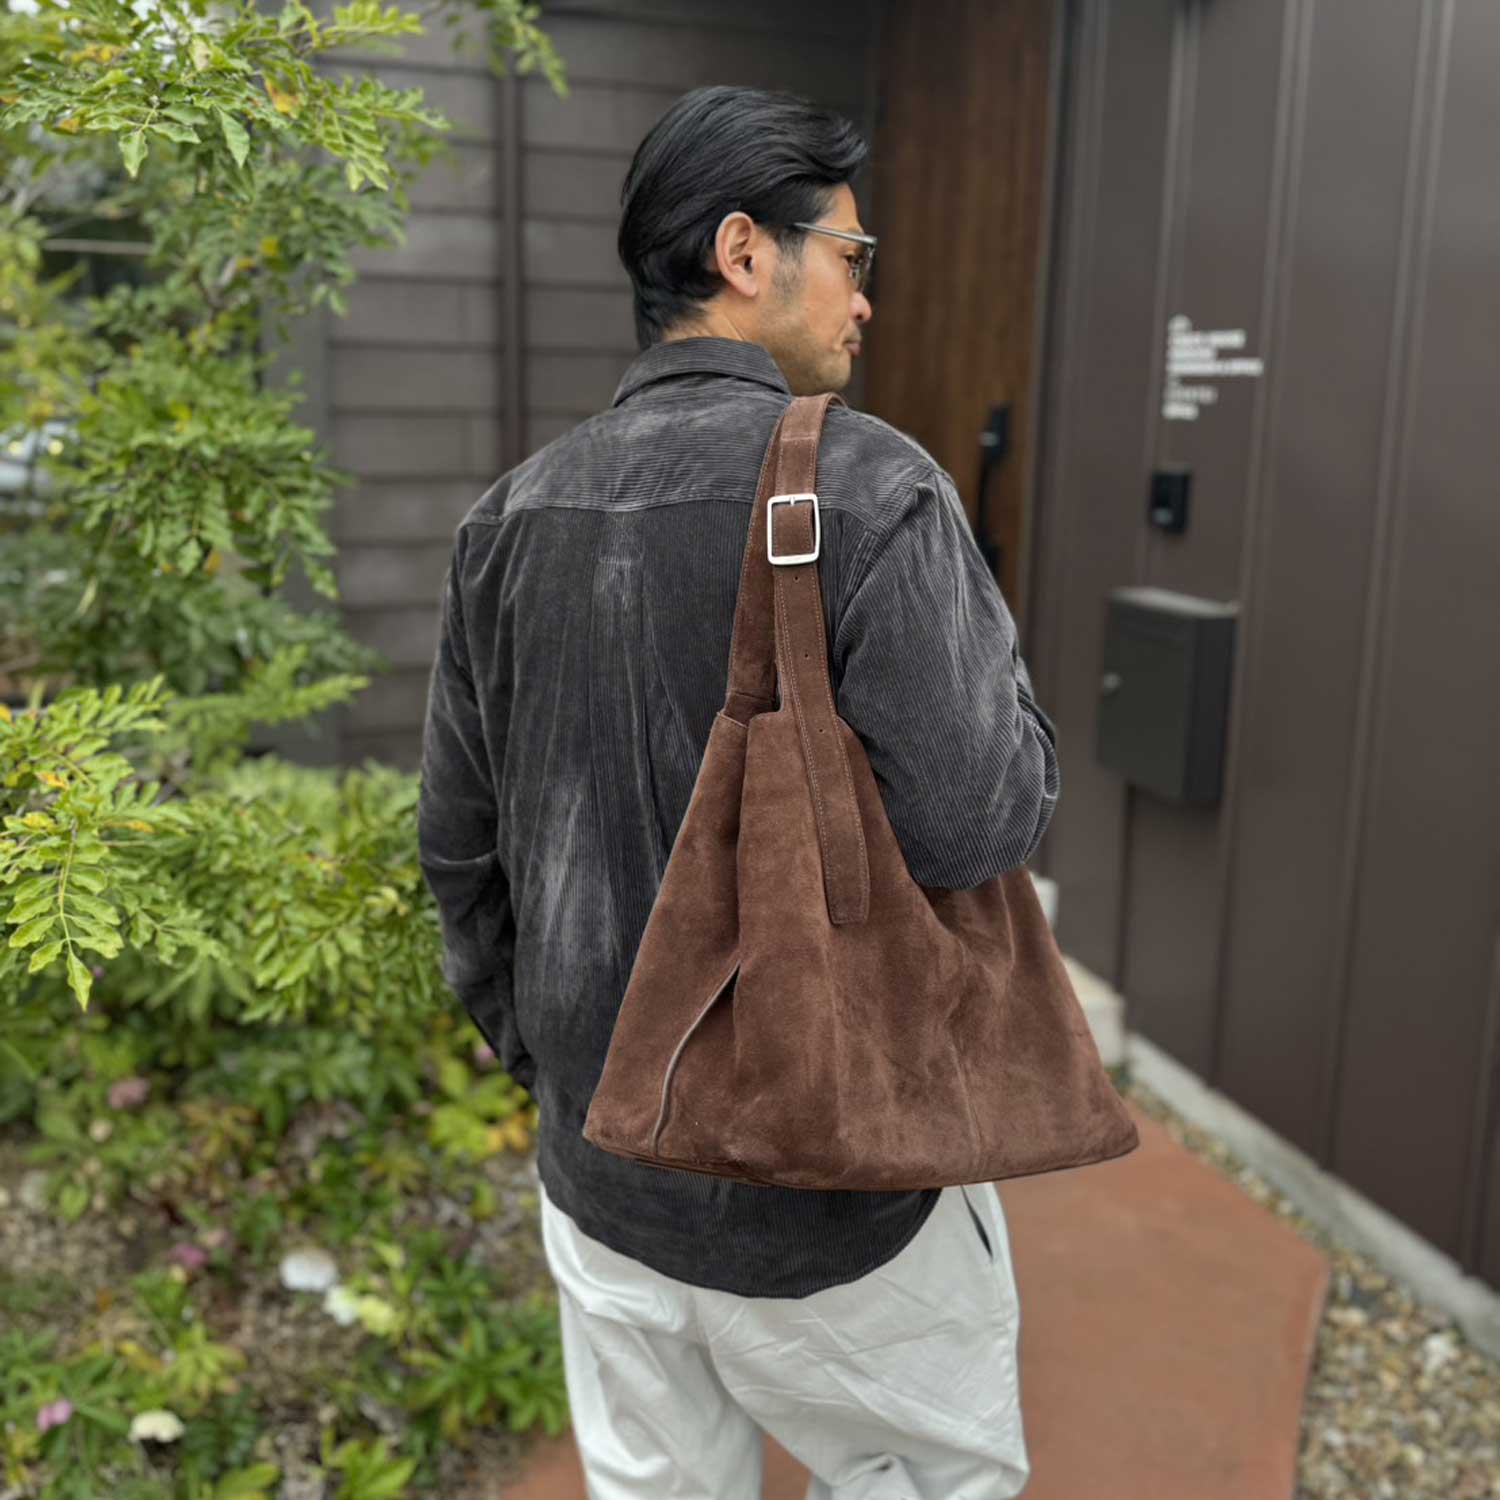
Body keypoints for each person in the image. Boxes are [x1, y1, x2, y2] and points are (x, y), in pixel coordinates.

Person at [417, 84, 1059, 1500]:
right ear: (744, 252)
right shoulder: (873, 490)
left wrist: (556, 1069)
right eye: (852, 254)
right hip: (837, 1200)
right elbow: (980, 818)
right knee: (923, 1479)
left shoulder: (504, 521)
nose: (865, 297)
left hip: (603, 1180)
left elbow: (460, 854)